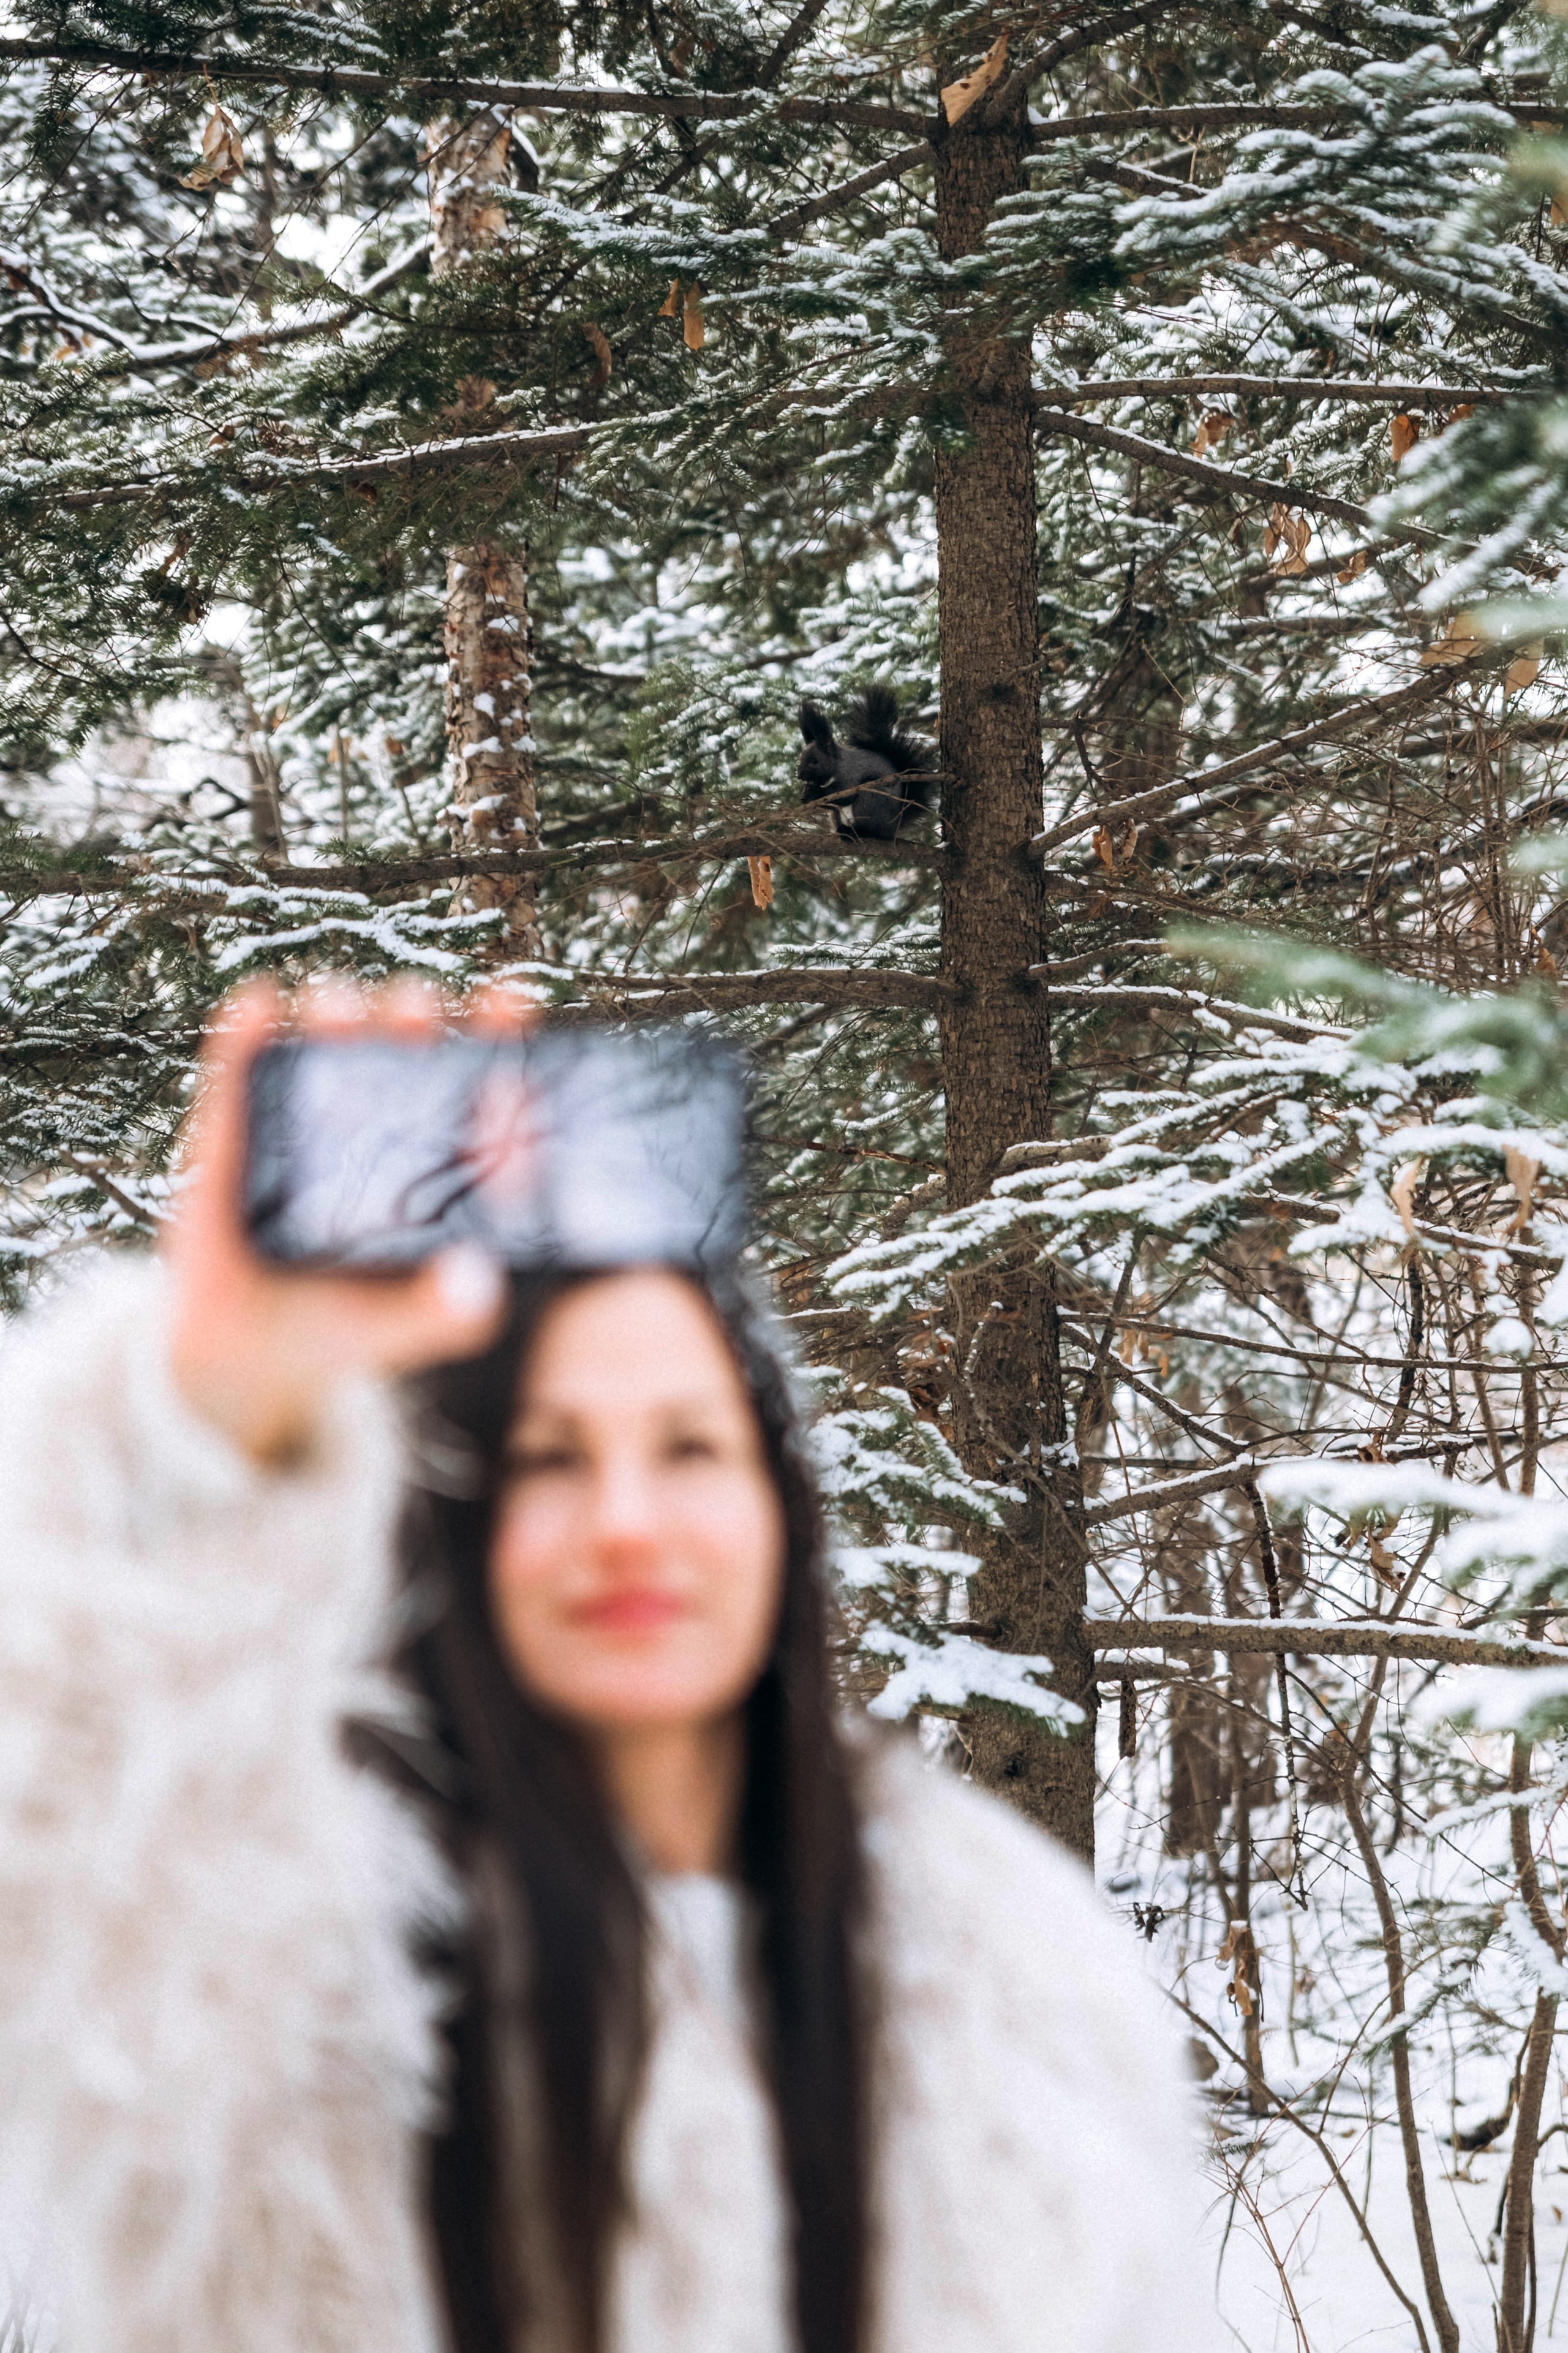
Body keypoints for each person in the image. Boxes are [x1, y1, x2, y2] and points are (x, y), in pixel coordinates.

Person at [0, 981, 1208, 2353]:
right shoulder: (284, 1979)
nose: (628, 1520)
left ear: (778, 1507)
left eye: (689, 1448)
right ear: (454, 1522)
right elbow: (55, 1828)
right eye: (549, 1457)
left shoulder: (1017, 1990)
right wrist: (194, 1425)